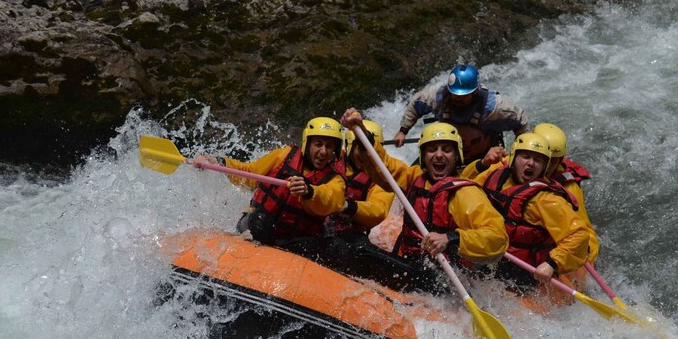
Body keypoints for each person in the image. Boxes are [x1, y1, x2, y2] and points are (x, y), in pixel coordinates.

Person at [341, 108, 509, 294]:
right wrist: (361, 132)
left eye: (446, 150)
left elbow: (497, 237)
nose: (438, 155)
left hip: (445, 279)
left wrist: (451, 239)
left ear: (456, 157)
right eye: (432, 149)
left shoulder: (464, 193)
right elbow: (382, 167)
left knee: (360, 253)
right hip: (410, 263)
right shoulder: (413, 177)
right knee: (358, 250)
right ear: (423, 155)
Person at [469, 132, 590, 307]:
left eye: (538, 160)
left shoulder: (547, 200)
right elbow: (465, 188)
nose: (531, 163)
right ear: (513, 158)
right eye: (525, 156)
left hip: (526, 274)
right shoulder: (493, 176)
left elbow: (579, 235)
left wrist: (551, 264)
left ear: (544, 167)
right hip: (492, 260)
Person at [192, 117, 346, 251]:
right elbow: (249, 174)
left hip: (294, 240)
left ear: (335, 150)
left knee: (325, 246)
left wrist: (309, 192)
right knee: (261, 220)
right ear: (308, 143)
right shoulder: (284, 155)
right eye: (318, 144)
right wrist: (218, 163)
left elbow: (331, 200)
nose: (324, 151)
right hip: (258, 224)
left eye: (329, 146)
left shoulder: (335, 180)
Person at [391, 63, 528, 164]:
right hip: (449, 155)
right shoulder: (437, 96)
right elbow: (416, 104)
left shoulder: (494, 107)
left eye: (463, 95)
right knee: (413, 177)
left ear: (475, 92)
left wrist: (519, 154)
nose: (457, 98)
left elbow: (521, 120)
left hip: (484, 158)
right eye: (454, 93)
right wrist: (403, 131)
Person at [532, 123, 600, 264]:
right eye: (544, 159)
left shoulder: (569, 189)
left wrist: (584, 254)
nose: (547, 166)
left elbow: (586, 232)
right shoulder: (515, 165)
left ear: (559, 161)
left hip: (546, 248)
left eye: (553, 161)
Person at [327, 119, 395, 242]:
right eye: (362, 149)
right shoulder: (330, 158)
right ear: (349, 145)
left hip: (349, 234)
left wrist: (348, 206)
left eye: (371, 151)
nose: (366, 156)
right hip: (318, 224)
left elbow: (378, 210)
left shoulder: (382, 178)